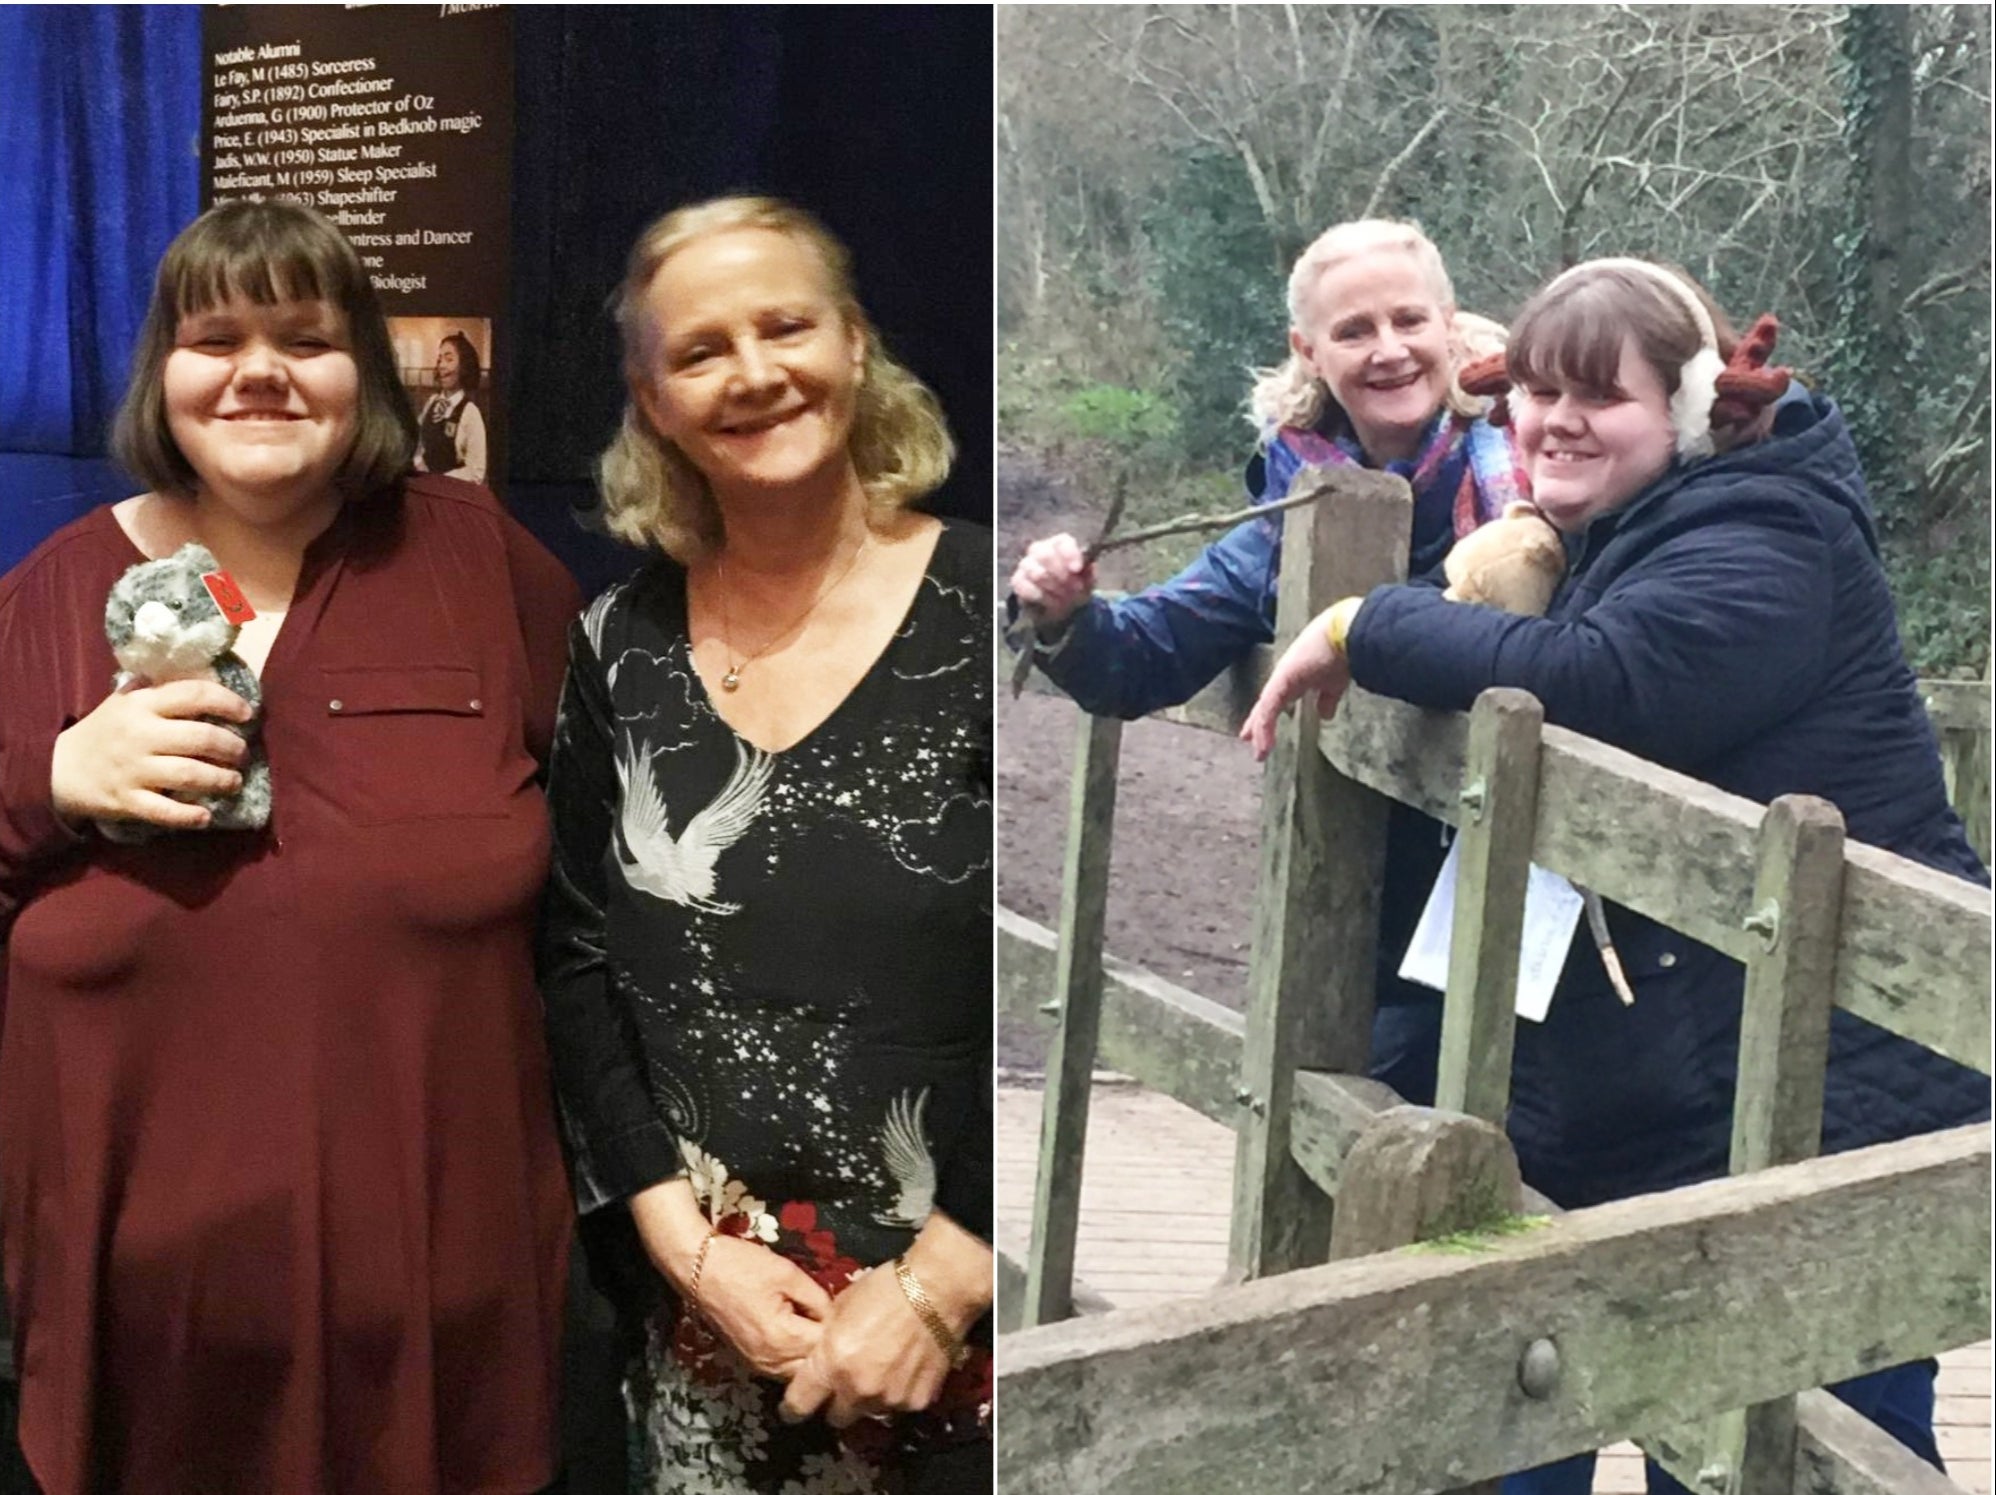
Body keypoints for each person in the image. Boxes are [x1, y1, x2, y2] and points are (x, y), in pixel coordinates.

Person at [1244, 257, 1992, 1494]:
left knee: (1814, 1437)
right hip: (1693, 1073)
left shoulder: (1768, 532)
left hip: (1839, 1097)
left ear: (1691, 411)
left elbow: (1611, 682)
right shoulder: (1624, 527)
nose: (1553, 422)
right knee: (1662, 1413)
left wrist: (1357, 622)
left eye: (1599, 396)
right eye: (1534, 392)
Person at [0, 200, 577, 1493]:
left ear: (362, 374)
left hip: (440, 1335)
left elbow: (615, 880)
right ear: (163, 374)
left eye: (305, 336)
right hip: (133, 1352)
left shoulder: (480, 564)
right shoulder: (44, 598)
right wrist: (47, 775)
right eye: (216, 336)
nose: (259, 367)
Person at [539, 195, 993, 1494]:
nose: (752, 372)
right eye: (700, 350)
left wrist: (941, 1283)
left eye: (784, 325)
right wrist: (687, 1252)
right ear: (653, 399)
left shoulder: (989, 617)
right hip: (707, 1342)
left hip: (970, 1351)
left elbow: (1064, 973)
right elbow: (575, 959)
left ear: (853, 343)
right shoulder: (614, 641)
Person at [1008, 217, 1525, 1107]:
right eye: (1354, 331)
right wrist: (1065, 615)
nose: (1389, 350)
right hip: (1374, 906)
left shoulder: (1540, 454)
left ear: (1449, 321)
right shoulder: (1296, 499)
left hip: (1540, 873)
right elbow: (1152, 652)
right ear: (1308, 351)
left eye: (1408, 320)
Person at [412, 329, 488, 483]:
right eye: (440, 359)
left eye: (449, 359)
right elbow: (417, 442)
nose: (441, 366)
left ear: (464, 367)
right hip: (425, 487)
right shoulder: (432, 402)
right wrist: (418, 464)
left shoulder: (470, 412)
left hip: (451, 494)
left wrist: (440, 480)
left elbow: (476, 471)